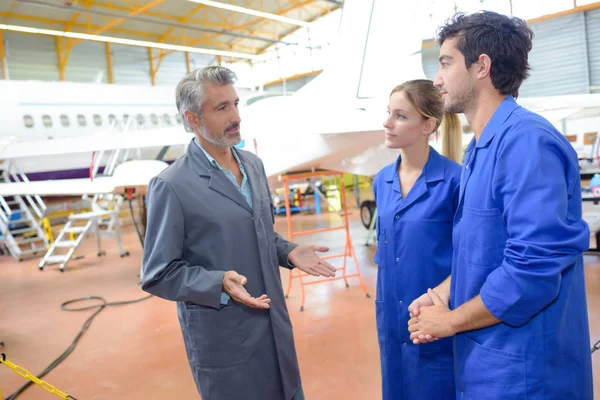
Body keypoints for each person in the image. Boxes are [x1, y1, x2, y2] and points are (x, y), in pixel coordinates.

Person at [407, 11, 593, 399]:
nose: (437, 79)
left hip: (526, 372)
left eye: (445, 63)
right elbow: (484, 253)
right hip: (488, 365)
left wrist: (451, 320)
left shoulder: (526, 143)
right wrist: (443, 292)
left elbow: (533, 268)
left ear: (482, 67)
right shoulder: (480, 149)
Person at [140, 66, 337, 400]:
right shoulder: (172, 185)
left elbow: (258, 235)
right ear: (192, 119)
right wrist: (216, 282)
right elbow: (158, 273)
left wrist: (286, 251)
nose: (236, 116)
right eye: (221, 108)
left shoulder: (253, 166)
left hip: (273, 325)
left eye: (235, 103)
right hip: (224, 337)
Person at [372, 79, 463, 400]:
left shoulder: (455, 182)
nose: (387, 123)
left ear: (428, 125)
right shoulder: (381, 181)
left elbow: (469, 258)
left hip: (435, 315)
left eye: (400, 116)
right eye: (388, 113)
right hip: (392, 319)